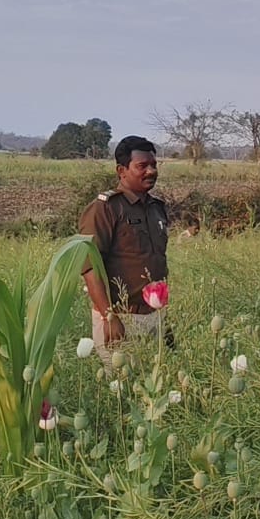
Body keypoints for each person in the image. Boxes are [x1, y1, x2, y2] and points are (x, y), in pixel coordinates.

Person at [78, 135, 169, 360]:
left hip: (154, 314)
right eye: (142, 166)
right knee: (121, 390)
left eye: (154, 165)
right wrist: (110, 317)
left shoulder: (156, 208)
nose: (151, 171)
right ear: (122, 170)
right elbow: (89, 267)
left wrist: (164, 319)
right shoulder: (105, 209)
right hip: (120, 317)